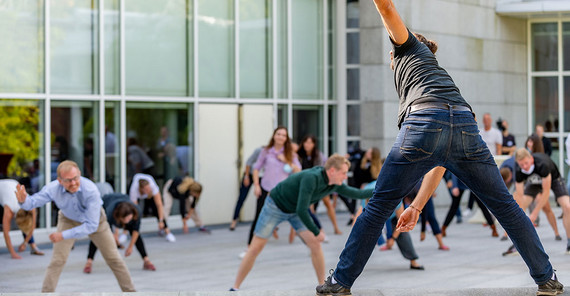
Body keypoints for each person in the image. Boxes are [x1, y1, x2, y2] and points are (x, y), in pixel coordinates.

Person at [316, 1, 563, 295]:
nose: (390, 58)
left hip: (423, 121)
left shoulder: (408, 47)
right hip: (464, 127)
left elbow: (386, 9)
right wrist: (417, 206)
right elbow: (441, 157)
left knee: (377, 208)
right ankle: (546, 279)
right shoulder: (438, 75)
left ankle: (340, 283)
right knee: (506, 208)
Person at [230, 154, 373, 291]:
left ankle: (324, 286)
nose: (345, 176)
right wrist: (317, 232)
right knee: (255, 248)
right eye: (343, 173)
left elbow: (357, 193)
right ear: (332, 171)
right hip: (275, 206)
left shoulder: (334, 184)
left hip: (295, 211)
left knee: (315, 244)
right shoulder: (311, 178)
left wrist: (384, 190)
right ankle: (234, 287)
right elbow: (302, 209)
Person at [15, 160, 135, 292]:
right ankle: (46, 293)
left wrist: (62, 235)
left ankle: (131, 292)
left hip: (95, 221)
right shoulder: (53, 188)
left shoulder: (90, 190)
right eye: (68, 180)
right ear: (60, 180)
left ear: (79, 174)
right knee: (57, 261)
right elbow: (32, 203)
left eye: (75, 178)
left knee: (114, 259)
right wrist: (23, 201)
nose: (73, 183)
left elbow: (91, 226)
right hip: (68, 219)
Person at [502, 149, 570, 256]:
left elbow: (546, 192)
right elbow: (520, 195)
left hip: (553, 180)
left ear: (531, 159)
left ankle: (569, 241)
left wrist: (534, 213)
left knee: (567, 207)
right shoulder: (518, 168)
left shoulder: (542, 164)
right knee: (519, 206)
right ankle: (518, 243)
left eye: (526, 163)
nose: (524, 166)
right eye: (521, 164)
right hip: (533, 182)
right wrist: (521, 214)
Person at [246, 126, 301, 249]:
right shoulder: (266, 151)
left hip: (283, 193)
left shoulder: (290, 154)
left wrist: (287, 161)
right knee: (258, 218)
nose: (280, 137)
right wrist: (256, 185)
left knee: (295, 216)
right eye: (278, 134)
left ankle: (312, 243)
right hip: (266, 190)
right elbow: (256, 168)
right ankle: (250, 246)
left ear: (286, 138)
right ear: (274, 136)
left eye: (283, 135)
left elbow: (298, 171)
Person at [83, 193, 156, 274]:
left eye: (129, 218)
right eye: (125, 219)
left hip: (123, 199)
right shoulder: (110, 212)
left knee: (136, 235)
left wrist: (130, 247)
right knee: (97, 234)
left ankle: (146, 260)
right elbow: (106, 229)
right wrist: (115, 238)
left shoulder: (136, 211)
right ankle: (89, 262)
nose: (128, 221)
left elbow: (136, 231)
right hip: (106, 202)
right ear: (119, 217)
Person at [1, 179, 44, 259]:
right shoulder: (9, 210)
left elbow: (32, 226)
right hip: (3, 188)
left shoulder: (31, 206)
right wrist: (13, 253)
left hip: (13, 183)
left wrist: (24, 243)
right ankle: (32, 246)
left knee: (27, 225)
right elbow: (6, 233)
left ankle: (33, 246)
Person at [129, 173, 175, 242]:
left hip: (149, 189)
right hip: (135, 186)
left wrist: (161, 221)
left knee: (156, 208)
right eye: (146, 190)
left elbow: (159, 205)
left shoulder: (152, 187)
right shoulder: (134, 190)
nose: (148, 190)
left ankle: (167, 231)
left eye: (149, 189)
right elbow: (135, 209)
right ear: (141, 189)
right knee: (132, 211)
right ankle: (126, 232)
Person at [230, 146, 263, 231]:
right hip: (250, 175)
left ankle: (266, 223)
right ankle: (234, 220)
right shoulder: (260, 150)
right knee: (242, 198)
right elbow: (249, 162)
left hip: (263, 177)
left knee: (263, 200)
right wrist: (246, 176)